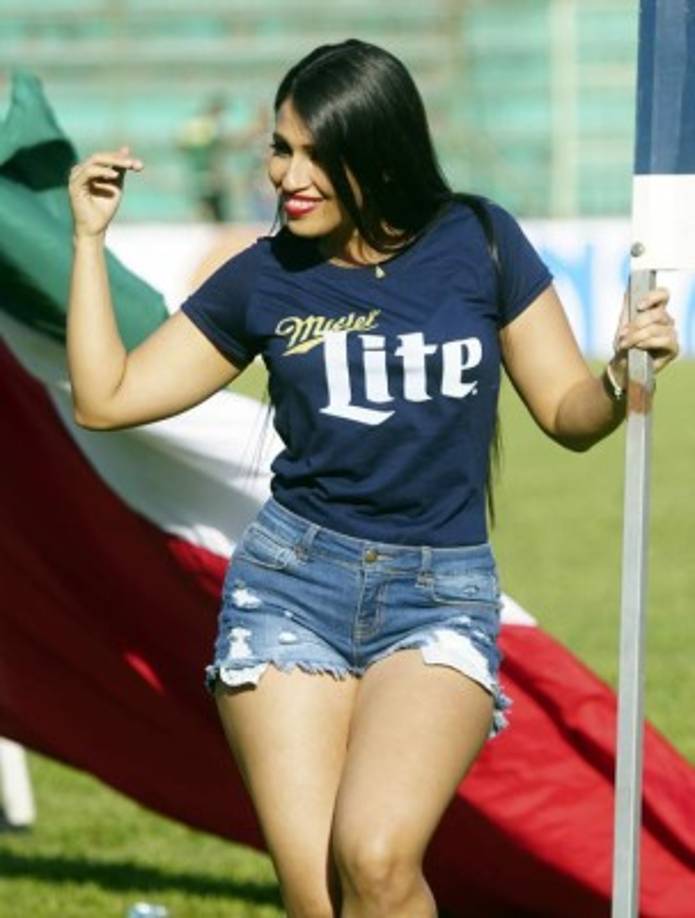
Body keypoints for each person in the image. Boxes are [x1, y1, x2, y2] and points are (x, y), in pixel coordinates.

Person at [67, 39, 678, 918]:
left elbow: (568, 414)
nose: (289, 175)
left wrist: (623, 377)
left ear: (377, 151)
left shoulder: (480, 239)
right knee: (320, 898)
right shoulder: (262, 277)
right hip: (288, 588)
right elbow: (107, 397)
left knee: (378, 857)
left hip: (440, 592)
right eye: (282, 148)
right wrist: (91, 241)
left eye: (318, 153)